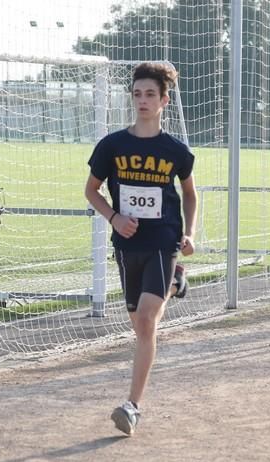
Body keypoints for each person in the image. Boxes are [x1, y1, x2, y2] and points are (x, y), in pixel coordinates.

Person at [84, 62, 198, 436]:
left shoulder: (175, 150)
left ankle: (132, 406)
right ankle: (175, 282)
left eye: (151, 94)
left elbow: (189, 194)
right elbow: (91, 191)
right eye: (137, 94)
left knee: (147, 320)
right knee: (139, 325)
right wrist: (114, 218)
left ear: (164, 100)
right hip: (127, 245)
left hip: (164, 242)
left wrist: (189, 233)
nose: (143, 100)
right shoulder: (113, 145)